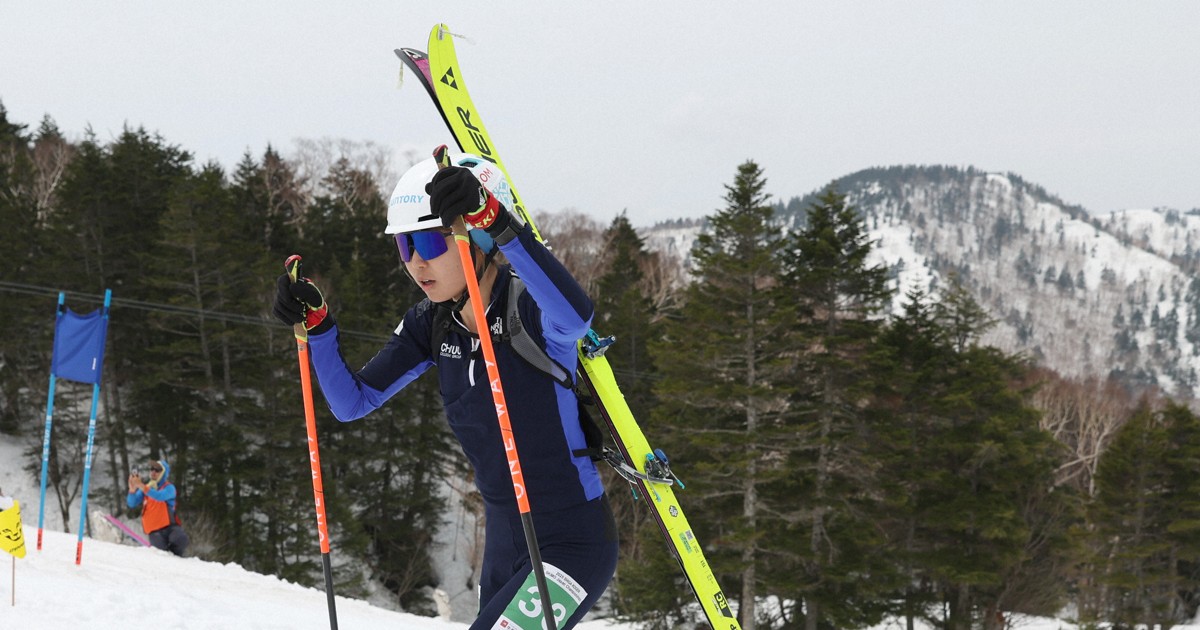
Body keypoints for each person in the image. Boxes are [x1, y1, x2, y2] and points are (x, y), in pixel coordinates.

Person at [273, 152, 617, 629]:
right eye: (404, 246)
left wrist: (498, 222)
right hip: (502, 538)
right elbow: (351, 403)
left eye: (430, 241)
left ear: (476, 235)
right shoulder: (432, 323)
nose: (415, 262)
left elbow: (576, 316)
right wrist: (320, 330)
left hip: (568, 541)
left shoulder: (530, 310)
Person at [126, 458, 189, 557]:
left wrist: (141, 485)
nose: (153, 472)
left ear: (164, 473)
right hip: (154, 532)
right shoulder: (147, 488)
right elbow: (132, 503)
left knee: (180, 539)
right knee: (161, 554)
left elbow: (159, 496)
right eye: (152, 469)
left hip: (170, 527)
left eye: (157, 470)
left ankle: (177, 558)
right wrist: (132, 490)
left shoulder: (169, 488)